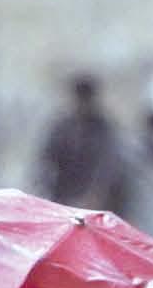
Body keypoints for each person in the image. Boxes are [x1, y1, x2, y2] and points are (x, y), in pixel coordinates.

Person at [32, 74, 129, 214]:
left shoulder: (103, 129)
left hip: (97, 202)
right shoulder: (62, 126)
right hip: (63, 196)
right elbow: (46, 160)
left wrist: (95, 195)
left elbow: (108, 166)